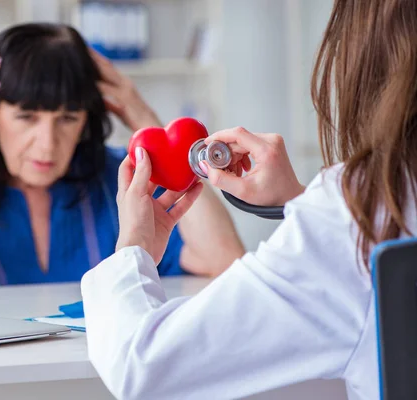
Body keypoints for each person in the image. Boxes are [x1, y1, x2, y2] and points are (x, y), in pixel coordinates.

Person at [81, 1, 415, 399]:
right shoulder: (357, 212)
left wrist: (132, 245)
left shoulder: (358, 210)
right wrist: (299, 203)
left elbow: (143, 367)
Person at [0, 23, 243, 297]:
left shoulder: (119, 179)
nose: (47, 144)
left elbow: (225, 259)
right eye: (26, 117)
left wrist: (143, 118)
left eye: (67, 118)